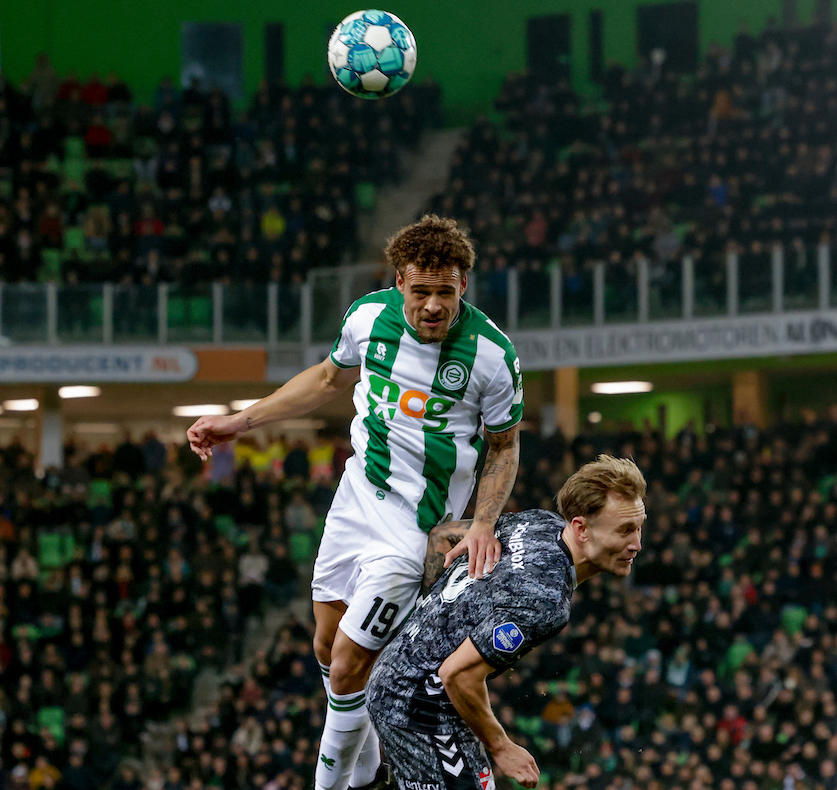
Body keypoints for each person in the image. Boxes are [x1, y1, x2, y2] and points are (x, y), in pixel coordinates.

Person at [186, 215, 523, 790]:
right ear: (399, 283)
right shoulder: (368, 319)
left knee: (347, 664)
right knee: (325, 643)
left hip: (416, 530)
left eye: (446, 291)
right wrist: (239, 423)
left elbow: (504, 445)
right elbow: (324, 380)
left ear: (463, 284)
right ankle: (364, 766)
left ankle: (338, 785)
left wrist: (483, 524)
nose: (434, 306)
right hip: (355, 499)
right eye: (421, 292)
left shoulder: (492, 356)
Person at [367, 455, 646, 790]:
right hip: (418, 704)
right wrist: (502, 747)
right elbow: (456, 673)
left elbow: (444, 537)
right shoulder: (545, 599)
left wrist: (427, 620)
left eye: (639, 526)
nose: (637, 544)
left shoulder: (539, 523)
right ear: (581, 528)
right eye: (625, 530)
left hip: (401, 679)